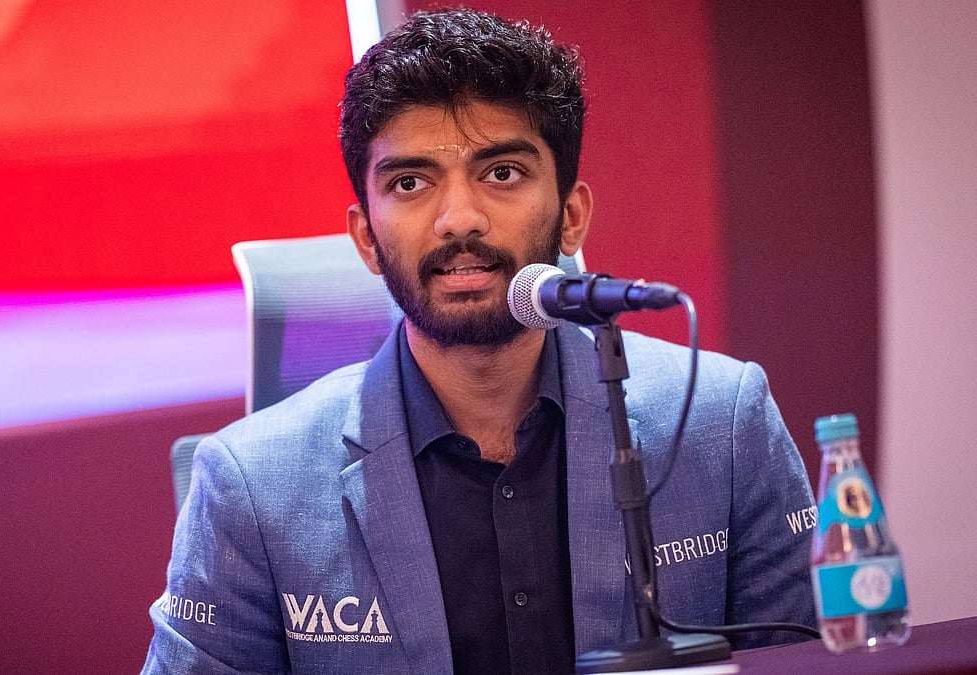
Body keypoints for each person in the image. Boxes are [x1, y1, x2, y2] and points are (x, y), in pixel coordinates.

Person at [143, 8, 816, 674]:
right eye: (410, 182)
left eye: (502, 174)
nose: (459, 218)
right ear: (367, 239)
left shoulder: (723, 422)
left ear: (573, 215)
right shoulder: (250, 484)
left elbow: (812, 664)